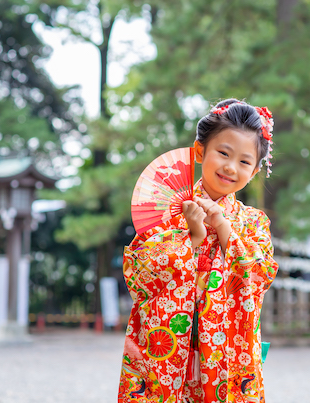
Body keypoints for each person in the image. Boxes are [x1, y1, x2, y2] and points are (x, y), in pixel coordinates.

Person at [118, 99, 278, 403]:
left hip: (226, 351)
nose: (231, 167)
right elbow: (140, 278)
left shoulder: (254, 222)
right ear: (200, 150)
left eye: (245, 162)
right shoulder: (166, 212)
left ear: (255, 171)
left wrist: (222, 225)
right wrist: (192, 236)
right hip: (166, 351)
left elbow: (259, 276)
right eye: (223, 153)